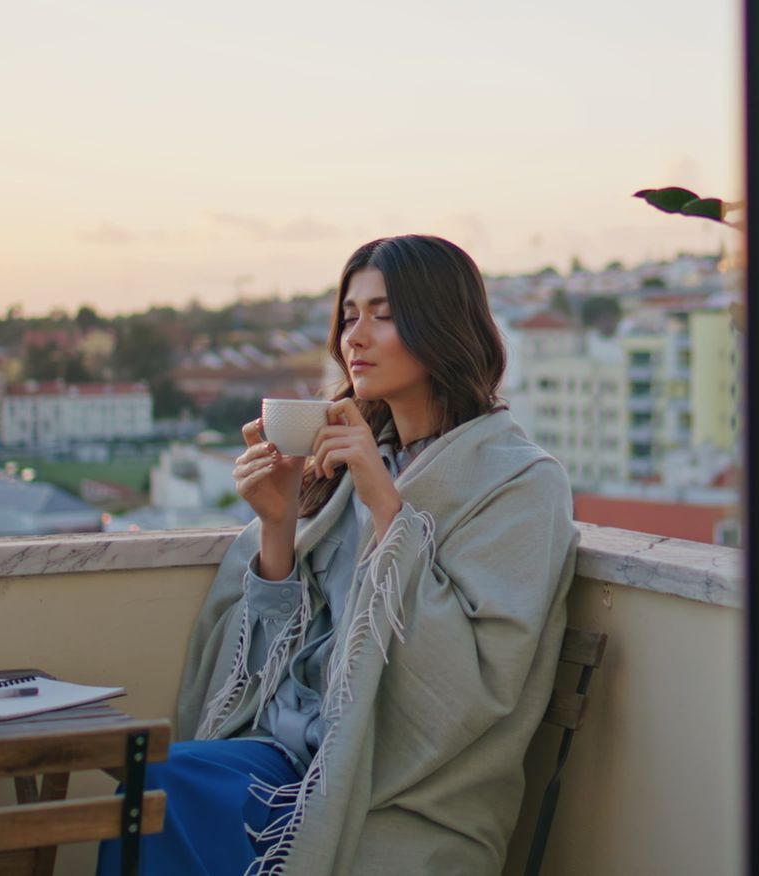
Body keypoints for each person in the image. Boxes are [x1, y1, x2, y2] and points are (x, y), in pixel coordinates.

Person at [99, 235, 579, 876]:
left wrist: (389, 509)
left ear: (442, 325)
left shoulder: (521, 483)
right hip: (293, 760)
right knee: (152, 786)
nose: (356, 336)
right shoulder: (350, 464)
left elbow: (475, 684)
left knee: (162, 791)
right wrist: (277, 519)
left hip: (402, 792)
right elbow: (287, 651)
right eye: (349, 315)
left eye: (383, 315)